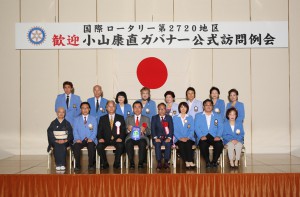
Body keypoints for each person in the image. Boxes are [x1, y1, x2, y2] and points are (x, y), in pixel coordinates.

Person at [97, 101, 126, 169]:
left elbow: (123, 130)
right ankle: (105, 163)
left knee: (120, 145)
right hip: (105, 139)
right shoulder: (102, 118)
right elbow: (99, 130)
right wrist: (100, 138)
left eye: (113, 106)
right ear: (106, 108)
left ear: (115, 107)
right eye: (109, 106)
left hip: (117, 139)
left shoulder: (120, 117)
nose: (111, 108)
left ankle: (116, 163)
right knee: (99, 146)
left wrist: (121, 138)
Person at [195, 99, 224, 168]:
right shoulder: (198, 115)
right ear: (203, 106)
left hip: (214, 136)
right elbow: (196, 127)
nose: (208, 106)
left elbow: (221, 127)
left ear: (212, 106)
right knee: (203, 144)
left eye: (210, 105)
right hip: (203, 136)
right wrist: (201, 136)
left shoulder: (218, 115)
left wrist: (218, 136)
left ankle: (214, 161)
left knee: (219, 144)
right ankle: (207, 162)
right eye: (206, 105)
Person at [125, 101, 151, 169]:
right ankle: (132, 163)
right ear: (133, 109)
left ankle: (141, 163)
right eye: (135, 107)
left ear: (142, 108)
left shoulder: (146, 118)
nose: (137, 109)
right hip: (130, 137)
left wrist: (145, 130)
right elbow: (124, 131)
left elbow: (149, 132)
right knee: (128, 143)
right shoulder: (128, 118)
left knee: (142, 143)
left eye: (139, 107)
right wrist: (128, 129)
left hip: (142, 137)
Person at [73, 102, 98, 171]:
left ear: (89, 109)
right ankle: (77, 165)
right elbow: (75, 131)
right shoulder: (76, 119)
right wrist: (77, 139)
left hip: (90, 139)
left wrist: (91, 138)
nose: (85, 110)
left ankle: (91, 165)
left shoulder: (93, 119)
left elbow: (95, 130)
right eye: (83, 108)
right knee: (76, 146)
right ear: (80, 109)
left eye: (86, 108)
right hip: (80, 139)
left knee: (91, 146)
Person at [173, 102, 196, 169]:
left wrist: (187, 137)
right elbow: (174, 130)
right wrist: (180, 138)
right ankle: (186, 161)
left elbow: (192, 129)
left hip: (189, 138)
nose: (183, 109)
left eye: (184, 107)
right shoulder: (175, 118)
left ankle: (190, 161)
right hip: (178, 139)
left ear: (187, 108)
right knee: (182, 144)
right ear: (179, 108)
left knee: (188, 144)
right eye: (181, 107)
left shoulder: (190, 117)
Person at [151, 103, 174, 170]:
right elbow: (153, 129)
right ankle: (159, 162)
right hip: (157, 138)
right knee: (157, 144)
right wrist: (155, 138)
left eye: (163, 109)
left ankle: (166, 162)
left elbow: (171, 128)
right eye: (160, 109)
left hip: (167, 138)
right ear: (158, 110)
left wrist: (169, 138)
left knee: (168, 144)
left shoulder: (169, 118)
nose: (161, 110)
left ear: (165, 110)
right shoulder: (154, 118)